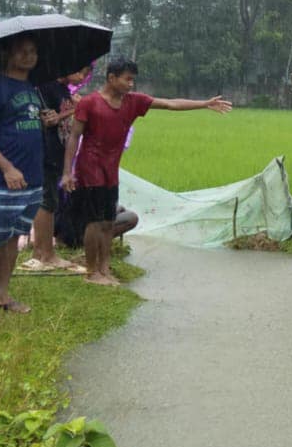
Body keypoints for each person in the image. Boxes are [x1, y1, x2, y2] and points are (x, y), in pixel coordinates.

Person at [61, 58, 231, 286]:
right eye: (127, 79)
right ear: (112, 78)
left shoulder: (134, 102)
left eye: (133, 80)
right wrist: (66, 172)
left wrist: (204, 104)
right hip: (89, 169)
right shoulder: (89, 103)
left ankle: (104, 268)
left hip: (111, 171)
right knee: (94, 222)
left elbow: (170, 104)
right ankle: (92, 272)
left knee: (109, 222)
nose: (131, 84)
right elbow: (74, 137)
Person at [0, 34, 45, 320]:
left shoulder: (31, 88)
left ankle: (0, 293)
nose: (28, 56)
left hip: (31, 178)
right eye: (21, 52)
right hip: (2, 179)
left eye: (32, 51)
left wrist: (48, 117)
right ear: (8, 55)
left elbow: (25, 120)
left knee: (13, 238)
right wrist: (6, 167)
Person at [19, 67, 89, 273]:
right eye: (79, 70)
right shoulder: (45, 87)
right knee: (46, 201)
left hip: (56, 152)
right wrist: (74, 109)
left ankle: (44, 253)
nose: (81, 76)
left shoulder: (63, 89)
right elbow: (49, 119)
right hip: (46, 152)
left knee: (50, 201)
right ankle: (43, 254)